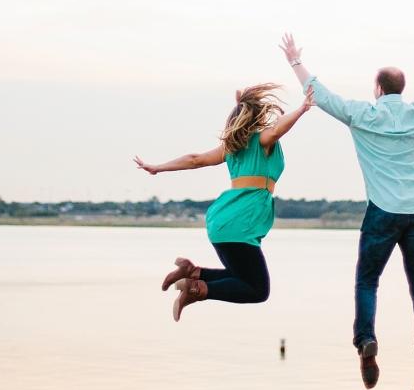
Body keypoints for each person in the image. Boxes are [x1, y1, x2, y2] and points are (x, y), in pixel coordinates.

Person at [279, 28, 414, 390]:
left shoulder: (362, 115)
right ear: (401, 89)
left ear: (378, 89)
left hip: (382, 213)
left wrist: (295, 60)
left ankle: (366, 342)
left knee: (367, 280)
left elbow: (320, 95)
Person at [133, 83, 314, 321]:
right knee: (258, 290)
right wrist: (302, 109)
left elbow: (196, 159)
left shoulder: (231, 147)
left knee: (239, 277)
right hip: (240, 223)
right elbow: (279, 128)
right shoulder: (263, 140)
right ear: (257, 117)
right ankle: (197, 290)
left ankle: (192, 272)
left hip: (223, 222)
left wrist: (159, 168)